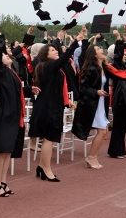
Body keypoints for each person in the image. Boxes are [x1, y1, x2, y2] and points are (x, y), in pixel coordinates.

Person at [29, 27, 85, 181]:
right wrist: (76, 41)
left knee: (50, 138)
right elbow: (64, 56)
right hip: (48, 107)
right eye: (52, 50)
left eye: (56, 50)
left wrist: (66, 103)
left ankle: (42, 167)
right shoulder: (48, 66)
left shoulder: (50, 67)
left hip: (52, 105)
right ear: (45, 55)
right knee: (49, 138)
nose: (56, 51)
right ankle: (46, 169)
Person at [0, 16, 25, 195]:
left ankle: (3, 182)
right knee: (1, 152)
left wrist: (32, 88)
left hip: (13, 115)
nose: (7, 54)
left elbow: (18, 90)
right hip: (3, 117)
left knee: (8, 151)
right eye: (4, 55)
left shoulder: (11, 72)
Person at [72, 34, 110, 168]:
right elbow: (83, 88)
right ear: (94, 55)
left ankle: (93, 156)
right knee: (102, 131)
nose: (102, 51)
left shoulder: (104, 68)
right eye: (99, 50)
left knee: (104, 131)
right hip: (92, 104)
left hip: (99, 103)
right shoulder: (91, 69)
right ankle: (91, 157)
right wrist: (96, 92)